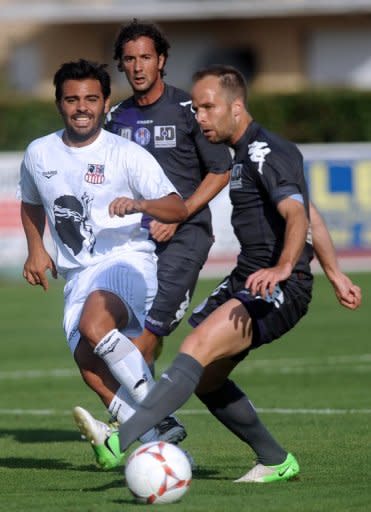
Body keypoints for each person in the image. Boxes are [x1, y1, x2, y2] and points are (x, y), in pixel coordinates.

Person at [112, 64, 362, 483]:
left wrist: (285, 267)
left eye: (208, 108)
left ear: (237, 107)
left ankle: (118, 442)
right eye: (197, 109)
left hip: (280, 285)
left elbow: (296, 214)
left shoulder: (267, 151)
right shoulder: (245, 155)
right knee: (207, 378)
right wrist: (335, 274)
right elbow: (314, 213)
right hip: (249, 278)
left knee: (195, 346)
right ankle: (275, 460)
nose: (200, 117)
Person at [72, 19, 231, 464]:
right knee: (114, 341)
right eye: (130, 59)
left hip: (185, 239)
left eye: (146, 57)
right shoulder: (117, 118)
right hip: (134, 245)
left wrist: (179, 217)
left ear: (161, 60)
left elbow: (219, 169)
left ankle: (138, 429)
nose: (138, 66)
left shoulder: (187, 109)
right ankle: (154, 425)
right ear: (121, 66)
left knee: (144, 338)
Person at [18, 58, 189, 470]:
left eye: (91, 99)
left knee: (95, 327)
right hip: (79, 273)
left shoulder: (125, 153)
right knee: (89, 367)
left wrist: (141, 204)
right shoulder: (39, 152)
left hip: (126, 261)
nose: (82, 107)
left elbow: (176, 207)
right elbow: (30, 201)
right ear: (59, 103)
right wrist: (36, 249)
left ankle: (157, 412)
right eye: (72, 99)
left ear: (105, 102)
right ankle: (156, 446)